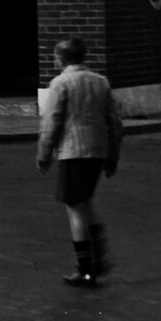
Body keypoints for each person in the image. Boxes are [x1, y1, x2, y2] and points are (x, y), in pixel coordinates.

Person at [36, 37, 123, 288]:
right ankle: (99, 255)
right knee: (85, 201)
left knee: (74, 206)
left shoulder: (60, 83)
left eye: (55, 56)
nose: (53, 60)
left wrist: (44, 154)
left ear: (63, 58)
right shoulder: (100, 82)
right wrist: (112, 156)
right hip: (97, 150)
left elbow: (51, 122)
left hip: (73, 151)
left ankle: (85, 268)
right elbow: (114, 122)